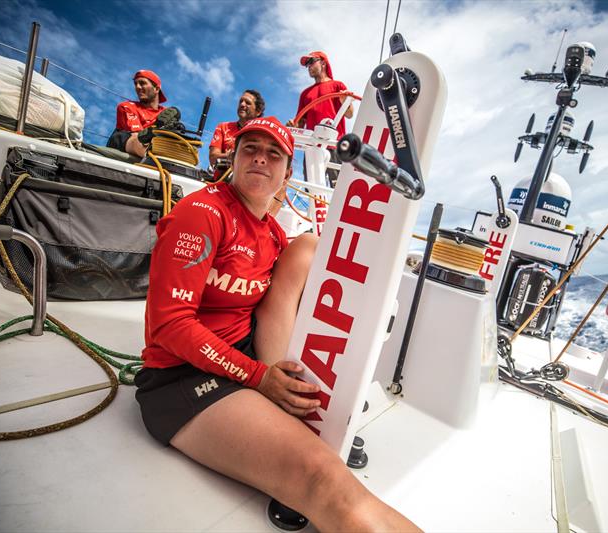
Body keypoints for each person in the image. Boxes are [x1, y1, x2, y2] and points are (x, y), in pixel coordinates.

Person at [134, 116, 419, 532]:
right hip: (180, 380)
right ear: (233, 158)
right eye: (250, 148)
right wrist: (257, 376)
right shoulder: (201, 213)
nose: (260, 159)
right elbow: (169, 326)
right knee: (321, 477)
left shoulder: (271, 235)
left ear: (287, 172)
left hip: (244, 364)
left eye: (274, 154)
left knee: (309, 247)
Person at [287, 51, 355, 186]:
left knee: (338, 188)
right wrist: (292, 126)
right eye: (307, 65)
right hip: (312, 145)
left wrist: (344, 100)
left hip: (335, 144)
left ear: (323, 63)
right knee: (313, 189)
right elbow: (300, 123)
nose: (309, 67)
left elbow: (349, 113)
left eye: (311, 62)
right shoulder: (305, 94)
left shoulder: (338, 86)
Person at [107, 70, 179, 158]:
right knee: (138, 139)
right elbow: (136, 136)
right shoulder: (127, 106)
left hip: (156, 145)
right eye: (135, 84)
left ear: (156, 89)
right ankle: (154, 139)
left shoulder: (167, 113)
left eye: (142, 83)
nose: (137, 87)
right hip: (128, 143)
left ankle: (156, 139)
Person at [208, 89, 266, 168]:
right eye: (240, 101)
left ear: (258, 111)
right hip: (222, 179)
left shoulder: (263, 134)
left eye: (248, 103)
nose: (242, 104)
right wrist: (232, 156)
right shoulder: (223, 127)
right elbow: (213, 158)